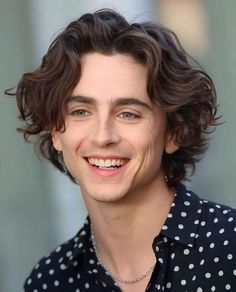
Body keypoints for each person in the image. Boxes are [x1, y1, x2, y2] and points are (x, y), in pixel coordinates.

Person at [8, 8, 236, 292]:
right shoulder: (50, 281)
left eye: (128, 114)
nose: (103, 136)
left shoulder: (230, 250)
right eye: (80, 111)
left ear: (174, 131)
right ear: (56, 131)